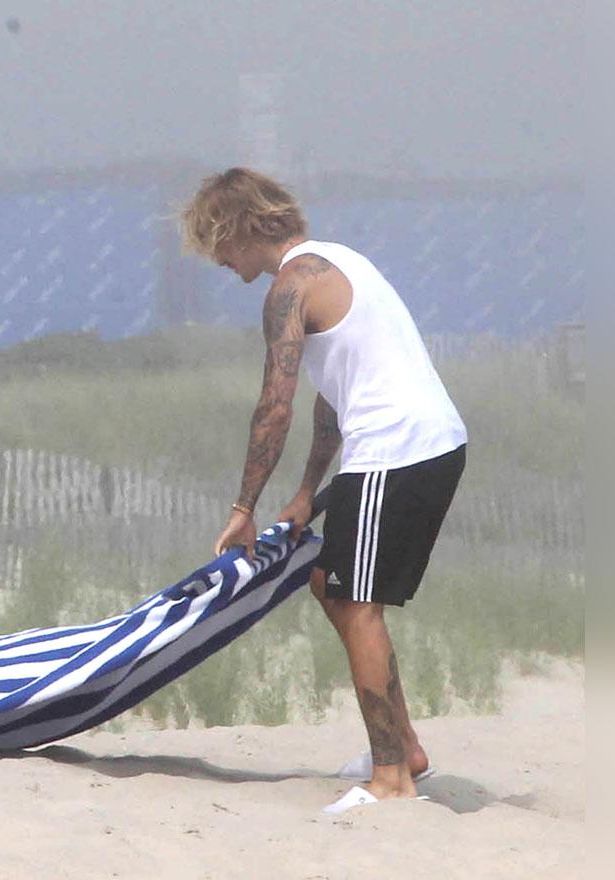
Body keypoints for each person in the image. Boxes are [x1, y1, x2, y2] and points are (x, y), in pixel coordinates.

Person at [181, 168, 467, 813]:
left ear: (239, 228)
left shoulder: (290, 288)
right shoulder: (339, 261)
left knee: (357, 604)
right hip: (423, 442)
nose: (219, 261)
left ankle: (391, 778)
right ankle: (406, 749)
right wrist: (308, 491)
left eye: (217, 244)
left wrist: (243, 507)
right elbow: (332, 398)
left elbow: (273, 407)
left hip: (397, 450)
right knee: (330, 585)